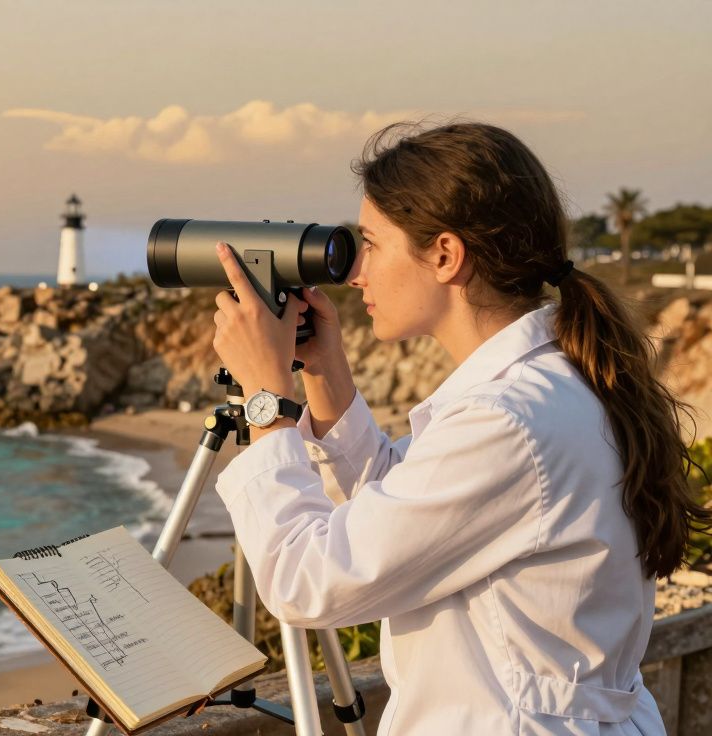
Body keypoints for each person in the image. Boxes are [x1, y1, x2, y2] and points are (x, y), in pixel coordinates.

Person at [208, 121, 710, 735]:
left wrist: (266, 401)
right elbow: (411, 510)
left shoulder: (507, 422)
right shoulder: (554, 381)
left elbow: (307, 582)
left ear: (445, 255)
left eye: (371, 243)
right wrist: (324, 374)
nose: (355, 270)